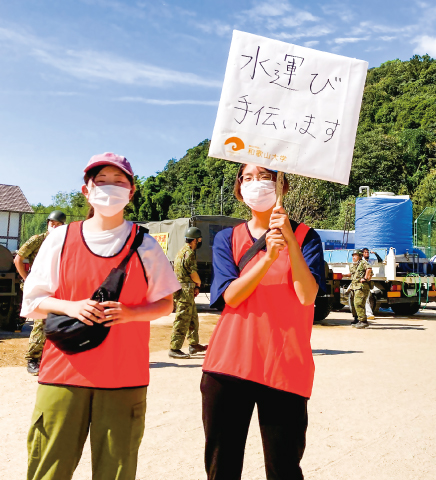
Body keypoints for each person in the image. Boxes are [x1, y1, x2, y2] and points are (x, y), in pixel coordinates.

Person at [21, 152, 180, 480]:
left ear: (131, 192)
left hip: (123, 377)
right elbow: (33, 301)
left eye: (119, 182)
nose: (110, 189)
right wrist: (71, 306)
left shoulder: (146, 244)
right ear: (86, 191)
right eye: (101, 181)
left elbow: (166, 303)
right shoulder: (60, 238)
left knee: (116, 471)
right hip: (62, 375)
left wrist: (131, 313)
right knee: (48, 469)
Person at [201, 164, 325, 480]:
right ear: (239, 189)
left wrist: (289, 244)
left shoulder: (306, 237)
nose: (257, 184)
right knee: (222, 467)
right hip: (229, 366)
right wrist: (268, 256)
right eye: (249, 177)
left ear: (281, 185)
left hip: (284, 367)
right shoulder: (227, 239)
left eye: (266, 177)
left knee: (284, 468)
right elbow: (231, 296)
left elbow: (307, 295)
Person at [14, 210, 66, 375]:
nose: (54, 226)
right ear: (48, 223)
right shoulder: (39, 239)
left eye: (58, 224)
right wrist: (27, 279)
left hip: (57, 285)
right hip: (40, 285)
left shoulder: (64, 241)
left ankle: (51, 357)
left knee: (60, 321)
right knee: (40, 322)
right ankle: (33, 359)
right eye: (52, 223)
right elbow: (18, 258)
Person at [169, 226, 207, 359]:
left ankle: (194, 344)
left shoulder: (181, 251)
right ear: (195, 240)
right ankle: (174, 348)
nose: (200, 241)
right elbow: (193, 273)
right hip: (185, 291)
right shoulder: (189, 253)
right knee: (182, 318)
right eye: (199, 239)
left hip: (183, 289)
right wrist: (199, 283)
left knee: (192, 318)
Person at [344, 249, 373, 328]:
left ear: (360, 256)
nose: (354, 257)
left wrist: (365, 278)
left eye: (355, 256)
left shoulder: (363, 263)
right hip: (354, 286)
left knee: (358, 303)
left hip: (361, 286)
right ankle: (357, 319)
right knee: (353, 304)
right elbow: (352, 274)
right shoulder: (353, 265)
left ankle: (363, 321)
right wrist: (344, 275)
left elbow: (369, 269)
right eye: (353, 256)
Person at [361, 248, 376, 320]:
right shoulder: (362, 262)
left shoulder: (368, 262)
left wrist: (375, 253)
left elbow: (371, 272)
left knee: (366, 298)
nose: (367, 254)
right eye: (365, 252)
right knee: (364, 299)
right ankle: (366, 314)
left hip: (366, 283)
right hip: (361, 283)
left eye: (367, 252)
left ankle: (368, 314)